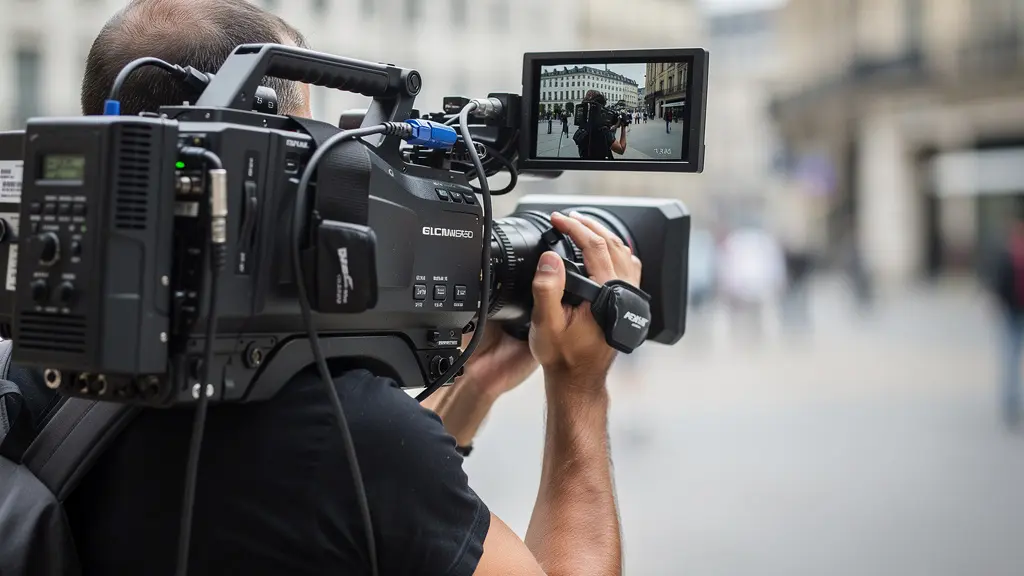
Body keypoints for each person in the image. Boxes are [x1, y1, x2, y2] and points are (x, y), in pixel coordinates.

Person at [12, 2, 645, 574]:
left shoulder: (41, 365)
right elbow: (362, 481)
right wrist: (578, 388)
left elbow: (366, 513)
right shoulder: (353, 440)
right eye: (320, 151)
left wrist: (474, 385)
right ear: (271, 155)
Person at [986, 217, 1024, 428]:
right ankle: (1010, 403)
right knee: (1010, 359)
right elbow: (998, 283)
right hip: (1011, 313)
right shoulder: (1006, 256)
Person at [573, 90, 627, 160]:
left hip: (586, 167)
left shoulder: (582, 129)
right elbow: (621, 150)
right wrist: (624, 127)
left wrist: (615, 126)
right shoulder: (602, 131)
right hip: (603, 168)